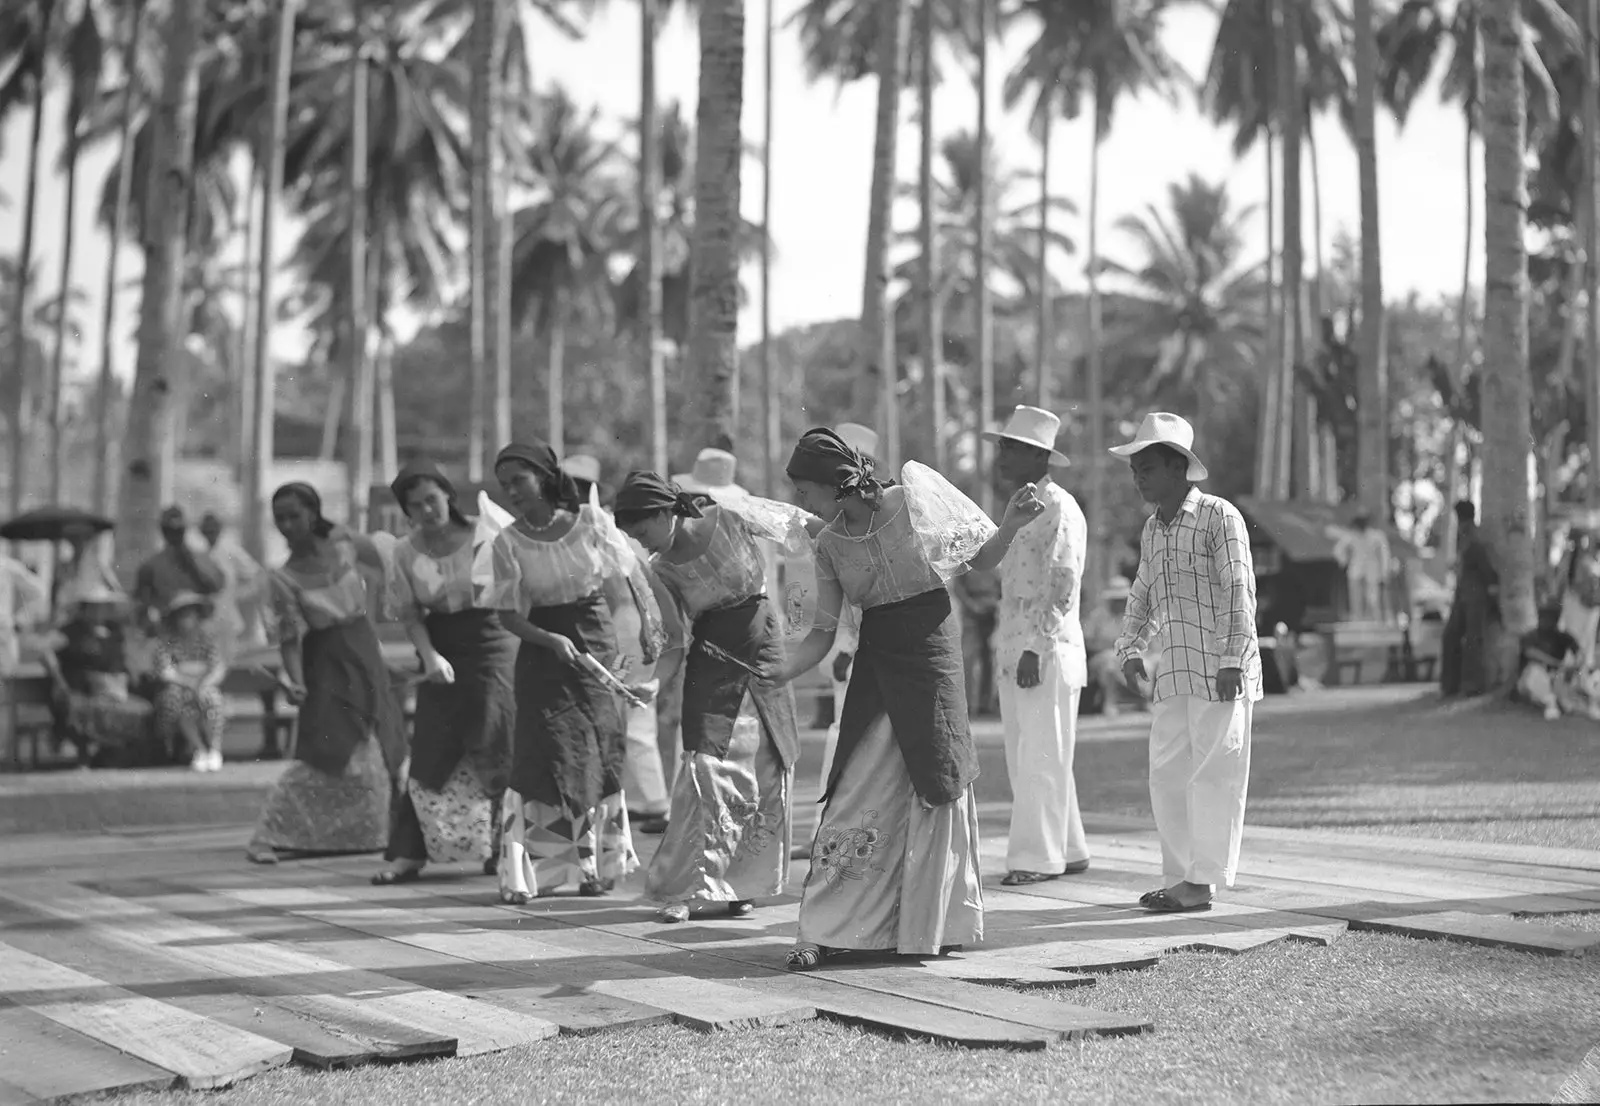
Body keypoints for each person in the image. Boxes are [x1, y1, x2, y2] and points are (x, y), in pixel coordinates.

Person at [769, 428, 1044, 971]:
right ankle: (822, 927)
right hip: (877, 661)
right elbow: (822, 635)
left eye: (805, 492)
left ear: (832, 484)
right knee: (854, 789)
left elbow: (979, 559)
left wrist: (1011, 524)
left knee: (934, 781)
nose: (802, 505)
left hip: (933, 653)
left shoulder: (912, 499)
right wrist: (775, 672)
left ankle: (928, 926)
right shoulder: (826, 545)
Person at [615, 470, 812, 925]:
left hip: (763, 643)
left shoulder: (730, 515)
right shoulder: (659, 569)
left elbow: (800, 528)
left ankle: (742, 885)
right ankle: (691, 888)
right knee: (705, 765)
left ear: (665, 512)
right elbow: (673, 642)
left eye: (643, 532)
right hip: (711, 655)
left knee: (765, 762)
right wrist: (654, 684)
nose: (642, 545)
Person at [481, 441, 665, 901]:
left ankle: (594, 869)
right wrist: (548, 639)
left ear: (545, 477)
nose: (512, 493)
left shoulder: (591, 523)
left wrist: (638, 643)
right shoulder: (506, 542)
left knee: (598, 752)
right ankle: (530, 876)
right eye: (504, 487)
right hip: (544, 655)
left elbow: (628, 585)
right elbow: (507, 614)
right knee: (541, 753)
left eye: (518, 482)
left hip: (596, 647)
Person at [1110, 413, 1261, 915]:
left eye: (1147, 468)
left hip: (1222, 670)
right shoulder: (1154, 529)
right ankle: (1180, 879)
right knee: (1168, 773)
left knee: (1214, 774)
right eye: (1135, 470)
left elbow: (1240, 589)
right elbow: (1145, 594)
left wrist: (1232, 657)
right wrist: (1130, 649)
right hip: (1174, 670)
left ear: (1179, 469)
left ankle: (1201, 884)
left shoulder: (1221, 516)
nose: (1139, 478)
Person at [373, 462, 519, 885]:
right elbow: (409, 613)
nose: (427, 510)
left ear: (448, 496)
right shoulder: (403, 551)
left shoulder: (487, 531)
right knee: (433, 746)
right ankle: (409, 853)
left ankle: (505, 847)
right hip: (439, 648)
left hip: (492, 643)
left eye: (432, 499)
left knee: (497, 741)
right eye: (415, 505)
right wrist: (430, 656)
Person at [246, 483, 407, 864]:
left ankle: (375, 833)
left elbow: (395, 562)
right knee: (326, 747)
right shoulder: (281, 577)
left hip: (364, 649)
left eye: (294, 515)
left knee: (378, 743)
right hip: (326, 661)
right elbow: (288, 638)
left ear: (313, 513)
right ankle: (270, 835)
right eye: (279, 517)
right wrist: (296, 680)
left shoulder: (345, 543)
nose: (286, 525)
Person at [981, 405, 1090, 887]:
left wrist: (1035, 647)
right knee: (1035, 752)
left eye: (1007, 447)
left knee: (1039, 757)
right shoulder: (1020, 508)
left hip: (1044, 649)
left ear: (1033, 453)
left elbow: (1062, 582)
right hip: (1016, 646)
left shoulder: (1059, 506)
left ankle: (1036, 858)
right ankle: (1068, 846)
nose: (999, 456)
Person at [564, 454, 674, 835]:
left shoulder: (602, 527)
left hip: (626, 627)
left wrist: (644, 630)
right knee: (628, 716)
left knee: (635, 717)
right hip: (628, 624)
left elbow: (632, 585)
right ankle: (643, 800)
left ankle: (656, 801)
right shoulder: (600, 527)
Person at [42, 584, 156, 766]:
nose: (98, 611)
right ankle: (84, 754)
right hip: (82, 689)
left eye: (102, 607)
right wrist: (59, 680)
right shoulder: (71, 631)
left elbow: (124, 658)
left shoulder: (114, 632)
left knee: (143, 710)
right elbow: (46, 650)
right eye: (93, 606)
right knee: (80, 708)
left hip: (116, 690)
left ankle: (114, 755)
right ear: (84, 608)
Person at [151, 592, 227, 772]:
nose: (187, 620)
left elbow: (217, 668)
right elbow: (166, 672)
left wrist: (204, 684)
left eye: (191, 614)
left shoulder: (207, 642)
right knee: (177, 700)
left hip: (203, 687)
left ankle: (213, 750)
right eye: (183, 615)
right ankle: (197, 749)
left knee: (212, 699)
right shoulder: (166, 644)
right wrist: (188, 683)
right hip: (178, 689)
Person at [1440, 500, 1501, 698]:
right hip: (1462, 596)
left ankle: (1471, 686)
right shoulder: (1464, 538)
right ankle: (1451, 685)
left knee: (1473, 641)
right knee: (1451, 637)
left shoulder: (1476, 538)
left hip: (1476, 598)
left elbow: (1488, 570)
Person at [132, 506, 227, 633]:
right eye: (170, 532)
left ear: (184, 530)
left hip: (198, 631)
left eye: (179, 531)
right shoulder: (151, 566)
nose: (175, 536)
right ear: (163, 532)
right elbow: (140, 606)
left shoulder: (201, 559)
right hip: (166, 633)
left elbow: (217, 587)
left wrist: (194, 566)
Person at [199, 512, 267, 654]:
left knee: (226, 659)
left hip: (227, 617)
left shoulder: (231, 551)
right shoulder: (201, 555)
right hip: (206, 620)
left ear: (219, 529)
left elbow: (258, 575)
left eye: (213, 529)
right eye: (206, 530)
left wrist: (238, 594)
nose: (210, 533)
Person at [1517, 605, 1583, 721]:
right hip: (1531, 677)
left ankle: (1561, 701)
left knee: (1567, 678)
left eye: (1551, 618)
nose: (1547, 621)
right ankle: (1550, 701)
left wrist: (1575, 666)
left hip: (1556, 674)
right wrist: (1556, 663)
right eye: (1545, 617)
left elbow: (1579, 654)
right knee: (1535, 671)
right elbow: (1531, 652)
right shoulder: (1531, 635)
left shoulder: (1563, 636)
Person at [952, 566, 1001, 718]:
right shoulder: (965, 559)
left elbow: (1001, 586)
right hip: (971, 611)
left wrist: (995, 605)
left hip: (991, 610)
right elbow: (957, 587)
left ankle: (986, 703)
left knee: (990, 659)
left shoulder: (996, 561)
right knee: (968, 658)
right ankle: (968, 703)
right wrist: (971, 605)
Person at [1085, 577, 1138, 715]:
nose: (1119, 603)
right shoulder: (1097, 616)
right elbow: (1088, 641)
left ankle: (1143, 701)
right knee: (1109, 662)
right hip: (1101, 656)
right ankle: (1110, 701)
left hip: (1129, 655)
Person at [1333, 511, 1392, 621]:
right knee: (1356, 599)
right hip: (1356, 570)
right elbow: (1338, 550)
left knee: (1372, 597)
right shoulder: (1352, 535)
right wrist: (1344, 561)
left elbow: (1385, 555)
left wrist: (1384, 572)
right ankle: (1358, 621)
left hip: (1372, 571)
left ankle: (1375, 621)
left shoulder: (1377, 536)